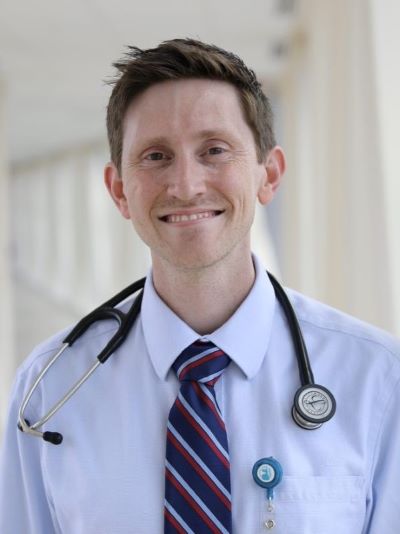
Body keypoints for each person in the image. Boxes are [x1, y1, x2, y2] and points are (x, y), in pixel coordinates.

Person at [0, 38, 399, 534]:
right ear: (119, 190)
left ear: (269, 175)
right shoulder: (50, 391)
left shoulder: (377, 380)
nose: (186, 185)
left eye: (214, 150)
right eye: (156, 156)